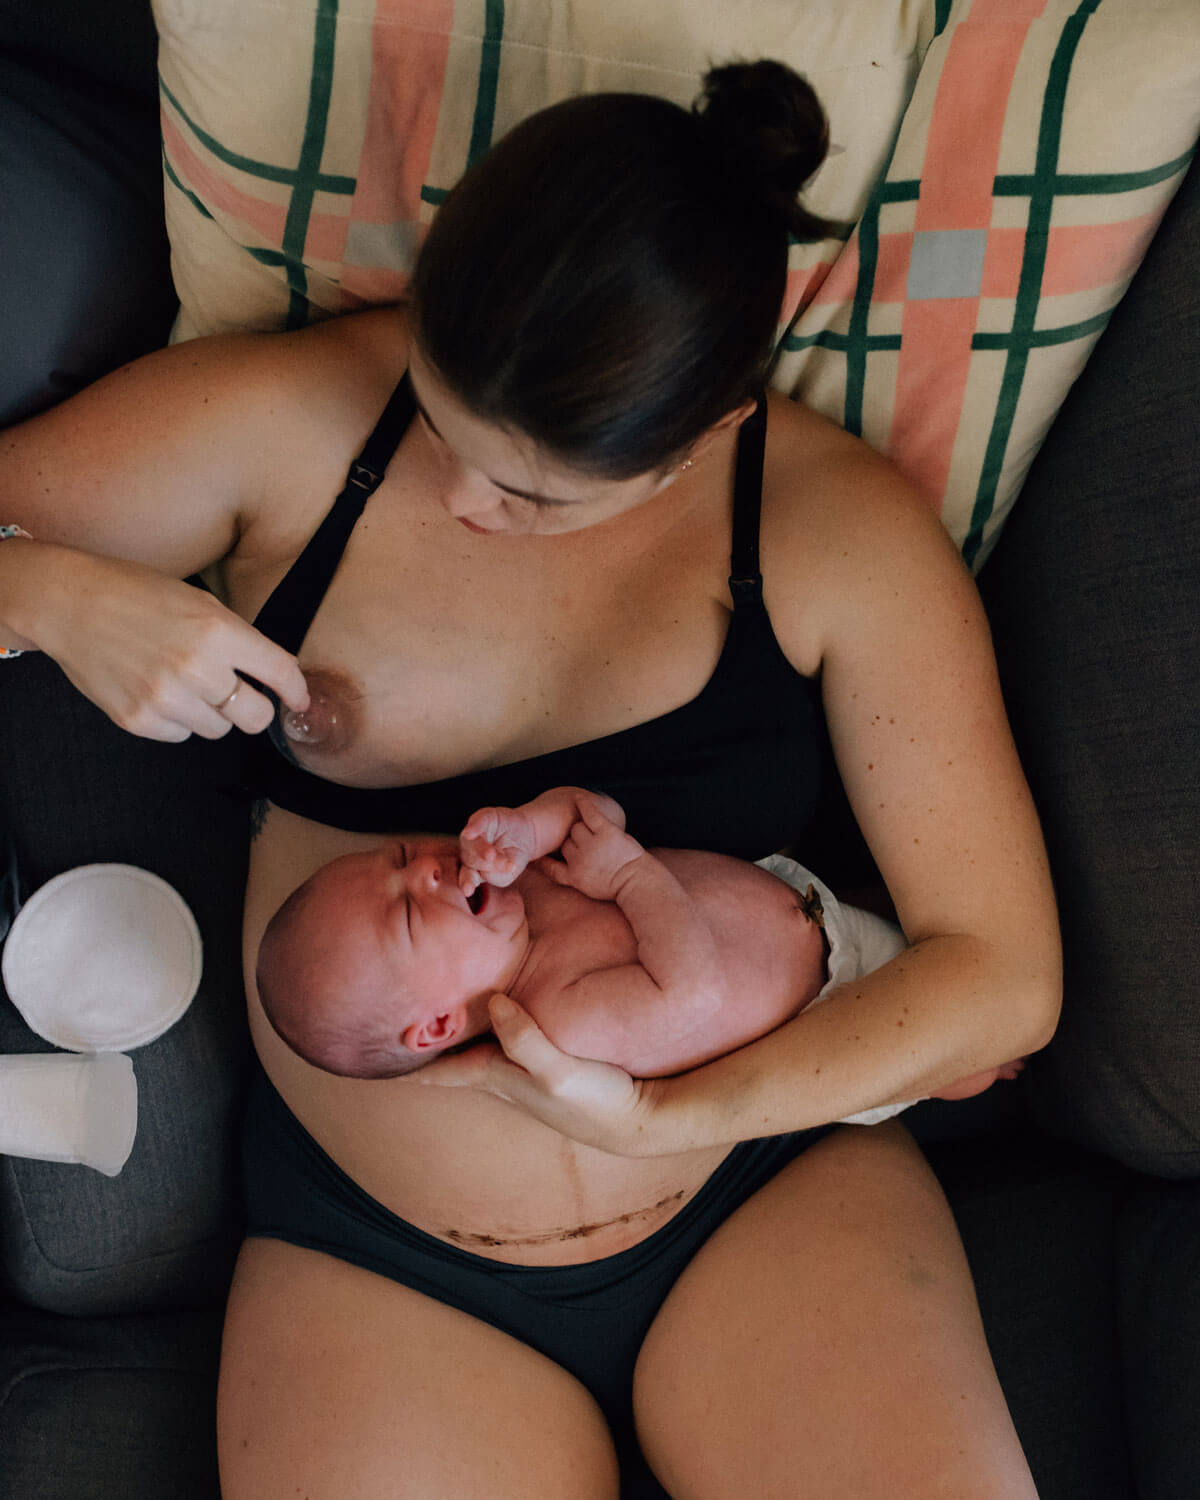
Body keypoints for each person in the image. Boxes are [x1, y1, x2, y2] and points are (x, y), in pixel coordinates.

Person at [0, 58, 1059, 1499]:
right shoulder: (295, 421)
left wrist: (671, 1116)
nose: (463, 503)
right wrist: (55, 595)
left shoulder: (835, 533)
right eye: (440, 421)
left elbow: (1002, 977)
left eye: (538, 494)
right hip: (381, 1267)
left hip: (764, 1196)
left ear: (710, 432)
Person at [257, 785, 1019, 1107]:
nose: (426, 871)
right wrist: (623, 876)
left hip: (810, 901)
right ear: (436, 1027)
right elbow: (694, 990)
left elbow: (599, 813)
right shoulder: (560, 1016)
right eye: (412, 915)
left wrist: (533, 825)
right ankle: (975, 1073)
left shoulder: (520, 888)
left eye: (399, 862)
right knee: (964, 1050)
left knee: (940, 929)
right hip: (837, 1000)